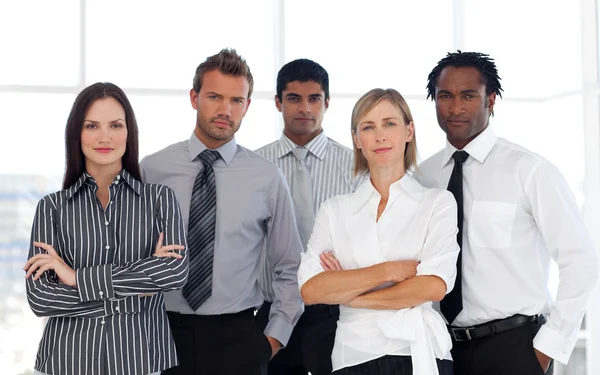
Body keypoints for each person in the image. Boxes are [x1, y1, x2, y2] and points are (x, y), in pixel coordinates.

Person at [417, 51, 599, 375]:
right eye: (445, 96)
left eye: (469, 95)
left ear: (491, 100)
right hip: (440, 350)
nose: (456, 107)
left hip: (514, 348)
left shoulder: (529, 170)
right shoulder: (423, 177)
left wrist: (546, 348)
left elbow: (580, 258)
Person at [140, 48, 304, 375]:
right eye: (214, 97)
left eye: (236, 101)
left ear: (247, 106)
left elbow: (290, 265)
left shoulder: (267, 177)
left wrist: (272, 339)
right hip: (162, 335)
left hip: (239, 339)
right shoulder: (152, 170)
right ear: (194, 97)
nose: (225, 110)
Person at [24, 82, 189, 375]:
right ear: (77, 133)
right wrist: (139, 287)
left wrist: (75, 278)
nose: (104, 137)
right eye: (91, 126)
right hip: (66, 361)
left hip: (140, 360)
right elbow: (42, 299)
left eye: (115, 125)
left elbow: (175, 273)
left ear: (129, 132)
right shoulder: (51, 208)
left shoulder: (159, 199)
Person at [298, 88, 458, 375]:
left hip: (416, 352)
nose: (380, 135)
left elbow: (433, 286)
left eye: (390, 124)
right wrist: (389, 271)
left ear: (409, 131)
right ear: (357, 140)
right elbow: (311, 289)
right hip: (353, 355)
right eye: (368, 127)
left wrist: (348, 294)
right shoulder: (335, 210)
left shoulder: (437, 203)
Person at [255, 58, 357, 375]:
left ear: (327, 102)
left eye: (314, 99)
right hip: (271, 311)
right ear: (278, 102)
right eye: (294, 99)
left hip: (333, 312)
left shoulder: (355, 166)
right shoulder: (255, 166)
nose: (305, 108)